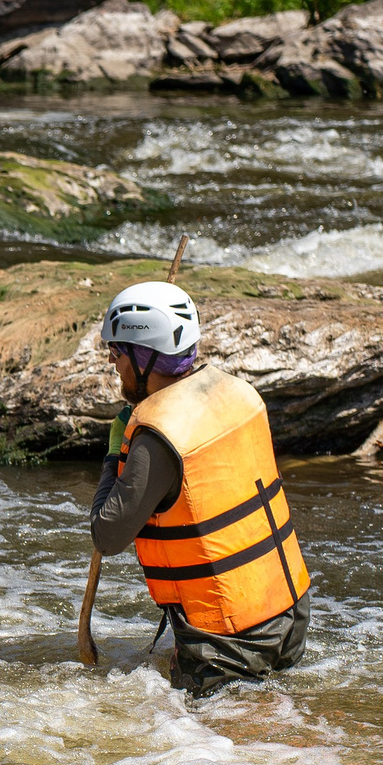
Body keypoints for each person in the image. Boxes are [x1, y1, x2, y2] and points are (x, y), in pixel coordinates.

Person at [90, 282, 310, 698]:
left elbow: (108, 533)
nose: (112, 364)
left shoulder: (158, 436)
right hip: (289, 614)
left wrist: (113, 453)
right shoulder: (238, 393)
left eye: (117, 353)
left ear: (143, 358)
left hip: (229, 643)